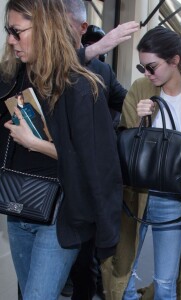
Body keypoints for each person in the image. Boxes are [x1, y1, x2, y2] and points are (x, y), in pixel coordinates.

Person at [0, 1, 123, 299]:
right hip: (18, 210)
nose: (10, 40)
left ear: (44, 28)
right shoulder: (10, 79)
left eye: (17, 32)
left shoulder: (80, 86)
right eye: (8, 31)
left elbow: (96, 163)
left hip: (60, 219)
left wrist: (35, 143)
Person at [101, 26, 181, 299]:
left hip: (173, 198)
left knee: (166, 284)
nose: (146, 73)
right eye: (142, 66)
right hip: (134, 196)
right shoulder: (140, 89)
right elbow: (124, 144)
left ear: (175, 60)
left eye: (152, 66)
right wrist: (138, 120)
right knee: (121, 276)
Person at [61, 0, 129, 299]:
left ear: (82, 28)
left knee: (84, 264)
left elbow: (124, 105)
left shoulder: (102, 71)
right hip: (49, 181)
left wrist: (103, 129)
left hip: (85, 184)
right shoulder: (41, 64)